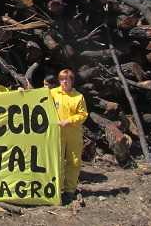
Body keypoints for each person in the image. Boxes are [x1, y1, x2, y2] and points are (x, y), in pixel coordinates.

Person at [51, 68, 88, 203]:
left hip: (73, 133)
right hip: (57, 133)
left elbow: (83, 114)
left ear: (72, 80)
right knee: (57, 161)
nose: (64, 82)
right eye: (61, 79)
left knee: (74, 161)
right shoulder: (52, 93)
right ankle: (56, 189)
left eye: (67, 79)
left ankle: (69, 190)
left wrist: (69, 121)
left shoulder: (78, 97)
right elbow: (38, 99)